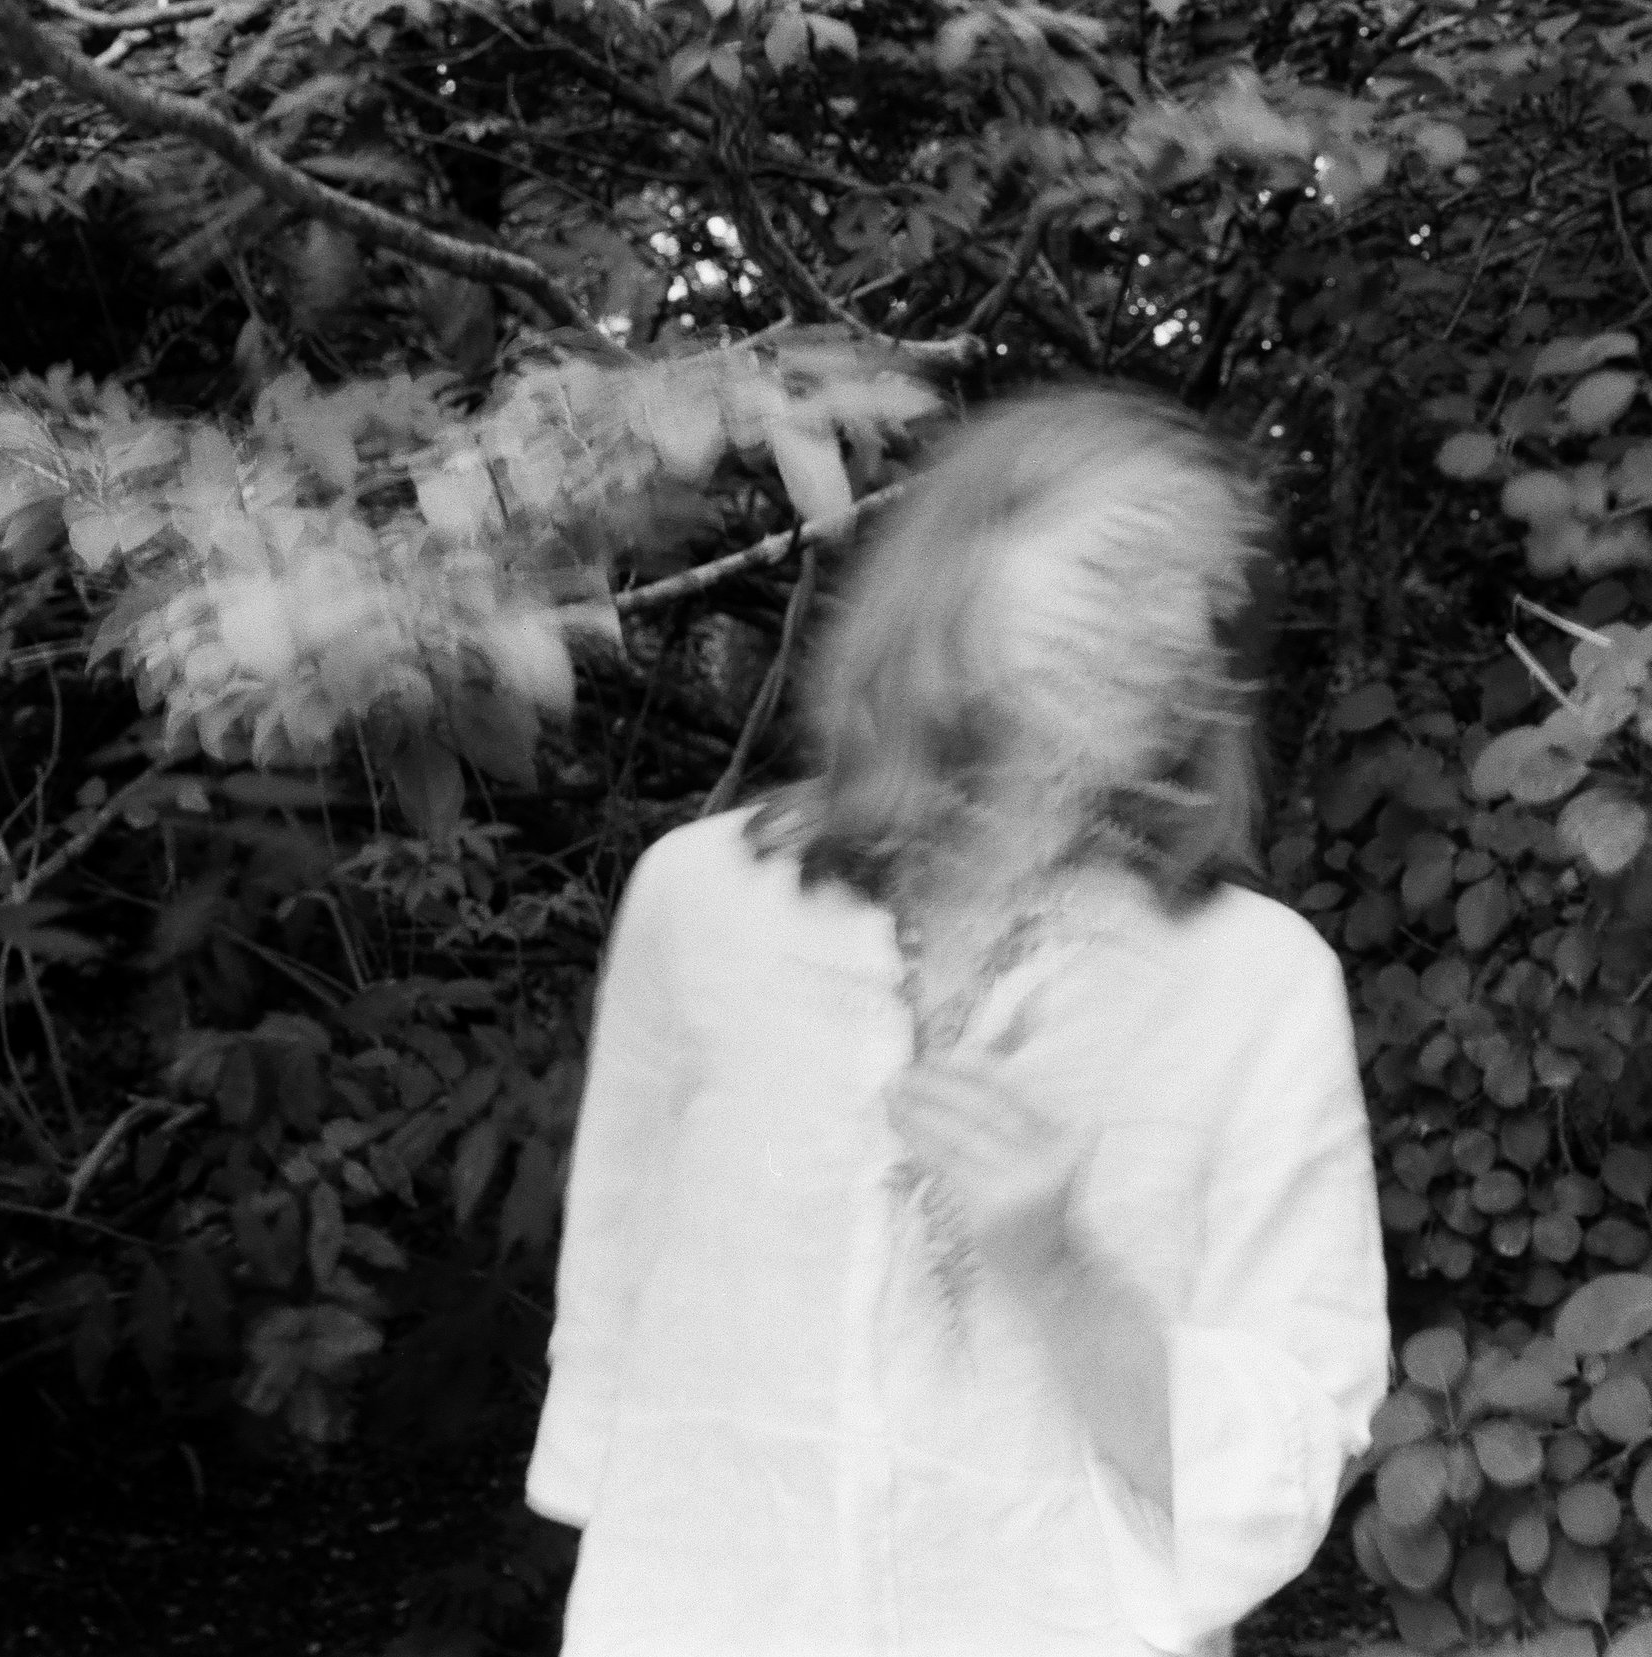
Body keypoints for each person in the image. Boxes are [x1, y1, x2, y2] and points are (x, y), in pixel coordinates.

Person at [526, 385, 1391, 1657]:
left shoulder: (1254, 988)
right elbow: (613, 1328)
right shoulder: (700, 906)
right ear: (957, 578)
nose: (1166, 625)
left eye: (1201, 597)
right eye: (1120, 564)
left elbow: (1269, 1473)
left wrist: (1054, 1261)